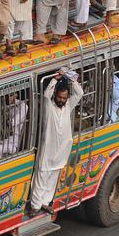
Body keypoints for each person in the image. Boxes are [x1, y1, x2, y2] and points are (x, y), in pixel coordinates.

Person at [29, 69, 83, 216]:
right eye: (60, 97)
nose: (62, 100)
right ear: (56, 96)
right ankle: (35, 206)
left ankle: (45, 203)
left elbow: (79, 93)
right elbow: (46, 94)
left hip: (61, 152)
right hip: (47, 152)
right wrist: (55, 79)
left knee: (52, 180)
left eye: (64, 98)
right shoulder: (49, 107)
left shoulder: (67, 108)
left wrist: (71, 78)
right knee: (41, 179)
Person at [0, 92, 28, 158]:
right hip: (2, 138)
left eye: (11, 95)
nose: (8, 98)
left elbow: (13, 122)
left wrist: (4, 115)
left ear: (16, 95)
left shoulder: (22, 106)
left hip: (13, 142)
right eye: (6, 96)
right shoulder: (4, 105)